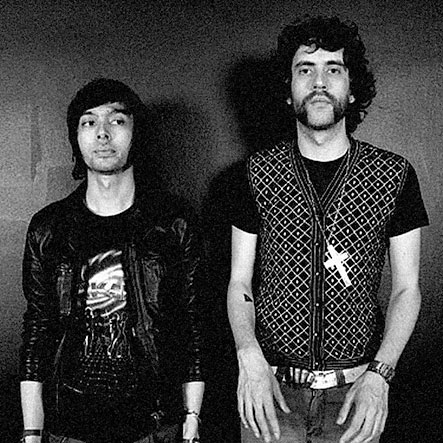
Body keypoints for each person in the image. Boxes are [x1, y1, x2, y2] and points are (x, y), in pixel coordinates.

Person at [227, 16, 428, 443]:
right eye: (305, 70)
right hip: (270, 392)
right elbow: (239, 281)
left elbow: (407, 288)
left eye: (333, 69)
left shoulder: (393, 174)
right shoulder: (255, 174)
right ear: (289, 89)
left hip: (355, 396)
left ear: (352, 89)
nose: (319, 82)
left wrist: (381, 376)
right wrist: (249, 357)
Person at [19, 78, 204, 443]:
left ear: (136, 132)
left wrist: (192, 420)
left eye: (116, 120)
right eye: (89, 122)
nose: (102, 133)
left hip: (153, 425)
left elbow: (192, 325)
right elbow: (37, 332)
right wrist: (31, 433)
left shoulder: (173, 224)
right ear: (76, 137)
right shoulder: (49, 229)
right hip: (69, 428)